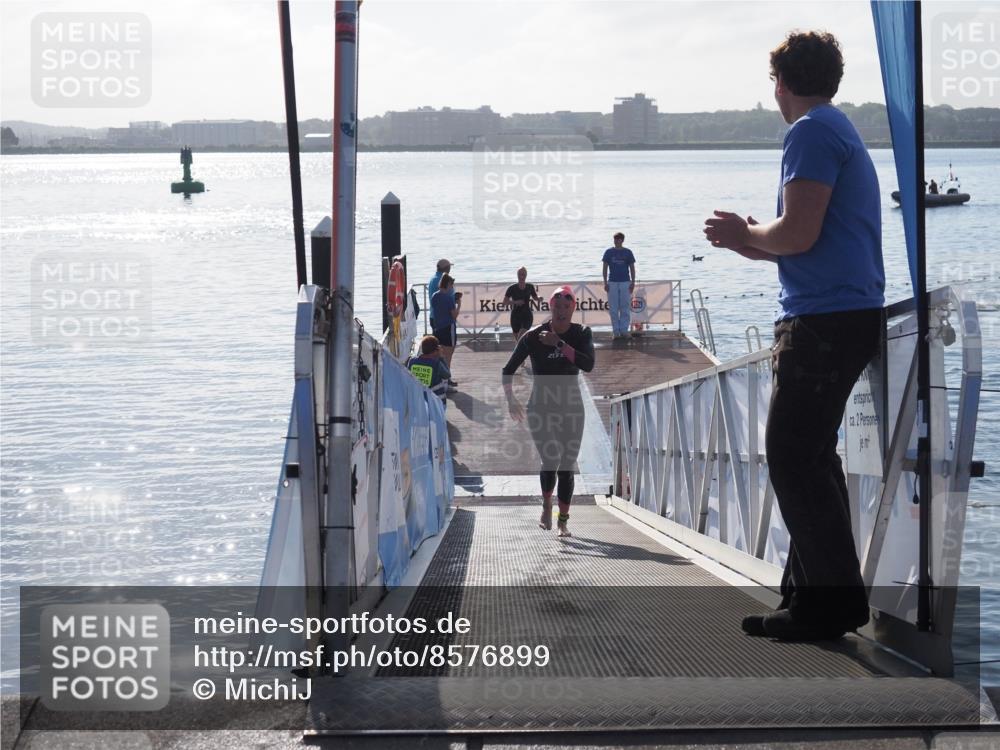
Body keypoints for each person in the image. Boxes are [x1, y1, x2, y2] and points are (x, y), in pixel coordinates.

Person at [703, 30, 884, 641]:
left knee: (792, 455)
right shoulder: (836, 128)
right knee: (810, 456)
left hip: (824, 321)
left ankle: (829, 606)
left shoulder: (809, 132)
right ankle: (810, 600)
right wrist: (753, 240)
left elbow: (798, 234)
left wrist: (746, 234)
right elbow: (805, 240)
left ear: (780, 82)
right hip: (840, 313)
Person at [502, 286, 595, 537]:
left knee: (567, 465)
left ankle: (563, 521)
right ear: (550, 308)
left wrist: (559, 344)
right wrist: (511, 400)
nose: (561, 312)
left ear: (573, 308)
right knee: (551, 459)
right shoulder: (533, 336)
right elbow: (508, 369)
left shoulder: (581, 333)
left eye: (566, 307)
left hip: (571, 407)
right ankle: (546, 504)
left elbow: (588, 364)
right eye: (557, 307)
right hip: (540, 407)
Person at [601, 232, 636, 339]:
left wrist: (633, 282)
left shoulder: (628, 252)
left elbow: (632, 268)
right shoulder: (608, 252)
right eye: (615, 239)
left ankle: (624, 330)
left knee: (625, 307)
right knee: (613, 308)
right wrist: (605, 282)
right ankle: (616, 331)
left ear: (622, 240)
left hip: (625, 282)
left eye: (618, 239)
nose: (616, 241)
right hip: (612, 282)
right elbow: (605, 268)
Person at [431, 274, 461, 389]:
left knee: (440, 355)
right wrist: (459, 305)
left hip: (438, 328)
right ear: (448, 284)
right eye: (451, 285)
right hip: (448, 328)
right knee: (448, 356)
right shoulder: (448, 298)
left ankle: (442, 380)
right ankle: (447, 381)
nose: (452, 287)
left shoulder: (434, 296)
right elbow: (454, 315)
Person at [407, 335, 451, 406]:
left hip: (418, 400)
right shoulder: (436, 364)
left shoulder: (412, 361)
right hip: (436, 401)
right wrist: (441, 358)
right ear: (435, 351)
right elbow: (447, 375)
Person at [502, 267, 540, 342]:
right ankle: (522, 349)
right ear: (517, 275)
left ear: (526, 275)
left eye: (523, 274)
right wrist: (516, 302)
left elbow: (535, 297)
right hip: (515, 316)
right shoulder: (512, 288)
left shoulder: (530, 286)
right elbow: (504, 302)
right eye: (520, 274)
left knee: (521, 337)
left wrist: (539, 298)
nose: (522, 276)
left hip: (527, 315)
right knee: (518, 341)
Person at [427, 258, 452, 331]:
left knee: (437, 337)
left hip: (433, 316)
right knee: (446, 338)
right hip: (443, 318)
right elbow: (448, 296)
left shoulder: (433, 278)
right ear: (447, 268)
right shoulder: (442, 279)